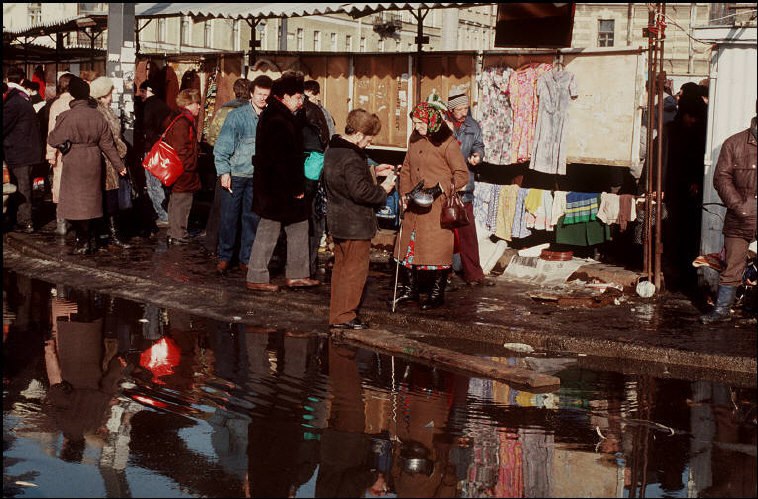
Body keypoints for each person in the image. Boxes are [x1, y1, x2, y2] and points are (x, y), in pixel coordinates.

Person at [246, 72, 320, 292]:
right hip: (277, 188)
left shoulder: (280, 115)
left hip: (277, 186)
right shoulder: (278, 119)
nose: (301, 102)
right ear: (285, 96)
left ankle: (297, 274)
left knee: (299, 225)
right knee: (269, 229)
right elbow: (283, 160)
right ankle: (257, 276)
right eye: (298, 97)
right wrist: (296, 187)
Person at [323, 109, 395, 329]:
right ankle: (345, 316)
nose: (369, 143)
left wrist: (373, 170)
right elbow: (360, 191)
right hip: (356, 223)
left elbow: (346, 179)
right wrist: (383, 189)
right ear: (358, 134)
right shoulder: (353, 156)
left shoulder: (333, 149)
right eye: (369, 138)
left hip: (338, 219)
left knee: (341, 270)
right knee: (354, 272)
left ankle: (337, 314)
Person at [393, 102, 469, 310]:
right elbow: (407, 167)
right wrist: (404, 194)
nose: (417, 127)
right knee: (409, 247)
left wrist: (439, 188)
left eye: (421, 123)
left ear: (432, 121)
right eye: (415, 123)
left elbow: (462, 175)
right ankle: (411, 289)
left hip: (437, 206)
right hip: (414, 204)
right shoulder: (414, 138)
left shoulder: (447, 142)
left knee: (437, 251)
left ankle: (437, 293)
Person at [47, 76, 126, 255]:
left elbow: (53, 139)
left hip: (74, 160)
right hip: (93, 160)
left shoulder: (68, 116)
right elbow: (108, 145)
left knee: (76, 203)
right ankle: (90, 238)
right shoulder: (98, 116)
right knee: (91, 202)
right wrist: (119, 165)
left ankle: (82, 240)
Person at [701, 108, 757, 323]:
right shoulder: (734, 143)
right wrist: (738, 206)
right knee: (732, 265)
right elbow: (721, 178)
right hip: (739, 217)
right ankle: (721, 310)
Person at [214, 75, 273, 274]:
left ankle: (246, 258)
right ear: (251, 93)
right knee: (229, 218)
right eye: (259, 94)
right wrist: (224, 172)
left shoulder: (270, 117)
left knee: (251, 219)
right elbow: (222, 147)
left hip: (257, 178)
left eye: (266, 95)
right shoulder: (237, 116)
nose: (262, 98)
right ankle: (224, 256)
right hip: (236, 174)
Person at [444, 87, 492, 286]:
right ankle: (442, 273)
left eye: (466, 108)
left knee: (468, 232)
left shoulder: (472, 125)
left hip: (465, 187)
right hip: (445, 185)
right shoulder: (443, 125)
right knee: (444, 231)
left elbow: (478, 145)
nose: (464, 112)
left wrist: (477, 156)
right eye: (460, 109)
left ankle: (474, 274)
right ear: (451, 110)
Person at [203, 78, 253, 256]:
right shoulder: (253, 111)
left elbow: (211, 136)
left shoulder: (225, 109)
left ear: (235, 91)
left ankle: (213, 244)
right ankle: (238, 250)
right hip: (244, 165)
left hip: (225, 162)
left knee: (220, 207)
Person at [90, 76, 131, 249]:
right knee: (108, 198)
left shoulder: (105, 109)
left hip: (110, 160)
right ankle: (109, 234)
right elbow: (109, 139)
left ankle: (109, 233)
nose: (113, 93)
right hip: (106, 161)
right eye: (111, 90)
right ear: (103, 94)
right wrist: (121, 150)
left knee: (111, 198)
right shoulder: (99, 112)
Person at [3, 67, 42, 233]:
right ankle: (17, 218)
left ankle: (25, 221)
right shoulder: (21, 98)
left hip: (19, 151)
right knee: (20, 186)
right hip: (25, 150)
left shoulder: (14, 101)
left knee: (22, 187)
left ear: (7, 79)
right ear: (22, 81)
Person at [162, 89, 202, 245]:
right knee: (182, 202)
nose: (199, 106)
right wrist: (190, 164)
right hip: (183, 170)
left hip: (179, 169)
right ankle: (178, 234)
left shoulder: (179, 118)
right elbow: (181, 150)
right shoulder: (183, 122)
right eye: (197, 103)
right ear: (189, 104)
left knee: (177, 200)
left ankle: (174, 233)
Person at [301, 83, 331, 278]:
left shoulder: (311, 113)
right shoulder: (318, 113)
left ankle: (306, 266)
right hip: (313, 179)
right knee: (312, 224)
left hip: (310, 179)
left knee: (309, 224)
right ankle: (307, 267)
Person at [46, 73, 75, 235]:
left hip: (61, 151)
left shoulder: (56, 105)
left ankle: (61, 221)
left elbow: (52, 131)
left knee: (59, 184)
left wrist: (50, 154)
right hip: (76, 149)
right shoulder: (76, 103)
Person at [140, 79, 171, 228]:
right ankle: (164, 212)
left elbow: (147, 127)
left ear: (149, 90)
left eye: (142, 91)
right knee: (160, 182)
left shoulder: (149, 105)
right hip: (162, 148)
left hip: (152, 149)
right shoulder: (164, 105)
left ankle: (163, 215)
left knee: (153, 184)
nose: (141, 94)